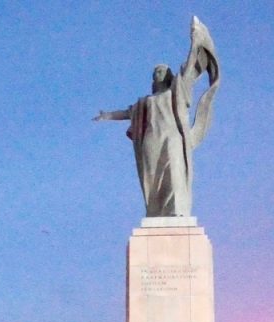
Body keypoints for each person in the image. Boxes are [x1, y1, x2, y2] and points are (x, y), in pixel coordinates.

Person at [93, 17, 220, 217]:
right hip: (152, 139)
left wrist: (194, 44)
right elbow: (128, 113)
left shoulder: (175, 93)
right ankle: (157, 212)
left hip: (173, 137)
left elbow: (188, 72)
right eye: (155, 71)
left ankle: (175, 211)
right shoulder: (145, 102)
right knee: (154, 177)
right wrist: (107, 115)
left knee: (174, 172)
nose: (157, 73)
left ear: (168, 75)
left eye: (161, 70)